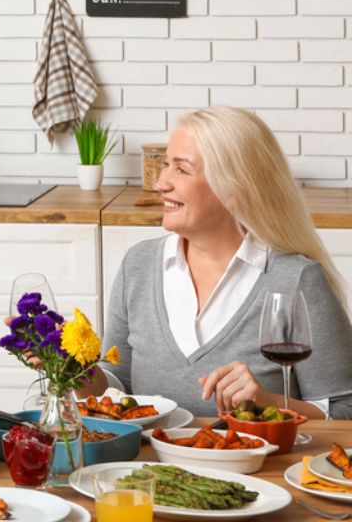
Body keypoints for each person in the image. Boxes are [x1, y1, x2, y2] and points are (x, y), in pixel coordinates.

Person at [84, 107, 352, 419]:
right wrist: (75, 371)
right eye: (165, 165)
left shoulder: (296, 279)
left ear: (235, 188)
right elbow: (118, 389)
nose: (161, 183)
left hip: (255, 469)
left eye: (181, 170)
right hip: (147, 468)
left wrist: (268, 402)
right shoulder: (138, 265)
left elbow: (346, 411)